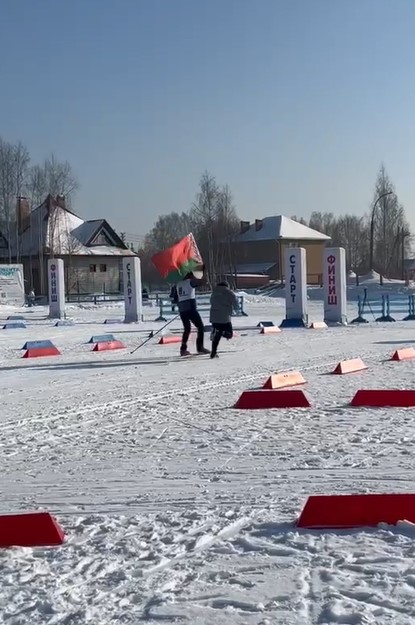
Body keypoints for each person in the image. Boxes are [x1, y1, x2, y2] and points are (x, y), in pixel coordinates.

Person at [176, 267, 210, 356]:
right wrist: (203, 275)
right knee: (200, 327)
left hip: (182, 309)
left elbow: (176, 297)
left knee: (187, 329)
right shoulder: (190, 282)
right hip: (190, 308)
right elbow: (202, 282)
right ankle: (200, 347)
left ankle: (183, 349)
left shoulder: (178, 284)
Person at [209, 280, 238, 359]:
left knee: (216, 337)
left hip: (214, 317)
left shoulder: (214, 292)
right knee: (229, 334)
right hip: (225, 317)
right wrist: (236, 309)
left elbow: (211, 302)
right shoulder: (228, 292)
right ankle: (221, 333)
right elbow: (235, 301)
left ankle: (213, 352)